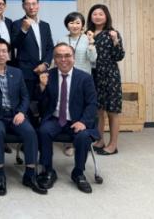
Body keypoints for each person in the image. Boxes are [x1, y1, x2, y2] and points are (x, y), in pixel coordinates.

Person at [0, 39, 46, 196]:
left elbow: (25, 97)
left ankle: (30, 174)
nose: (1, 54)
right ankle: (0, 176)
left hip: (14, 114)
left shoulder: (17, 72)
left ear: (9, 55)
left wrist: (21, 112)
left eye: (4, 51)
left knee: (30, 132)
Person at [36, 43, 99, 194]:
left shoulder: (85, 78)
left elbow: (92, 104)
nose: (63, 59)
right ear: (54, 59)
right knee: (43, 131)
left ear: (74, 58)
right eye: (59, 56)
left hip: (78, 120)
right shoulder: (48, 76)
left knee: (83, 136)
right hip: (55, 119)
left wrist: (83, 122)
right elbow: (41, 106)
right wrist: (42, 88)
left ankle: (78, 173)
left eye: (67, 56)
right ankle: (48, 170)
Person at [86, 4, 125, 156]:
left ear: (106, 16)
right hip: (93, 76)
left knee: (112, 111)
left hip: (110, 76)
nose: (97, 16)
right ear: (90, 17)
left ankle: (113, 145)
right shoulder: (87, 34)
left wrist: (115, 40)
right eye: (94, 14)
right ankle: (100, 140)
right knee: (98, 111)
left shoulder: (112, 33)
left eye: (100, 14)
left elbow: (119, 56)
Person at [58, 12, 97, 157]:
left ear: (82, 25)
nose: (74, 25)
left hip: (83, 79)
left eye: (78, 23)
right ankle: (68, 143)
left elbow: (93, 59)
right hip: (65, 78)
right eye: (71, 22)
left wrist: (91, 43)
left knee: (80, 108)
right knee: (67, 107)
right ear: (67, 25)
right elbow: (57, 59)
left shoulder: (87, 39)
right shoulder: (62, 39)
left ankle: (79, 140)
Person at [11, 0, 54, 97]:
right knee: (27, 100)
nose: (31, 7)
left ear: (38, 5)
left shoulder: (45, 25)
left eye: (34, 4)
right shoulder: (17, 24)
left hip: (43, 70)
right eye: (28, 4)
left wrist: (45, 64)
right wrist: (23, 30)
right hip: (25, 71)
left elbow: (50, 47)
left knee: (44, 100)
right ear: (23, 6)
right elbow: (14, 45)